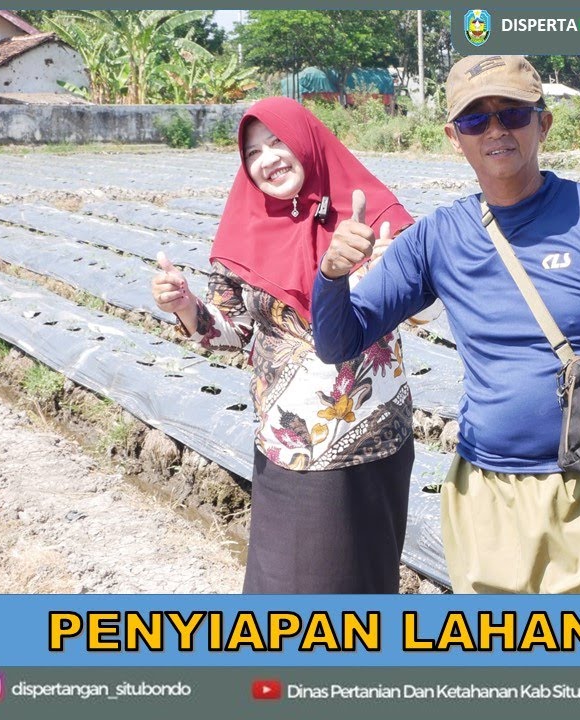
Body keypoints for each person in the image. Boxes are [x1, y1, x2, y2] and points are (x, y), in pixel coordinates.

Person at [312, 55, 580, 594]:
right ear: (455, 138)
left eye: (513, 115)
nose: (496, 130)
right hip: (490, 495)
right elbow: (339, 341)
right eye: (477, 120)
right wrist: (332, 275)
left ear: (542, 124)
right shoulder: (439, 236)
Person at [150, 97, 417, 593]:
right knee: (288, 586)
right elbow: (231, 330)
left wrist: (394, 272)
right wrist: (185, 305)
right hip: (292, 446)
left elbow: (428, 310)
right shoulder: (245, 227)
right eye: (253, 153)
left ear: (308, 142)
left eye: (277, 143)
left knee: (368, 581)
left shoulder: (371, 215)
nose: (267, 159)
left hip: (375, 441)